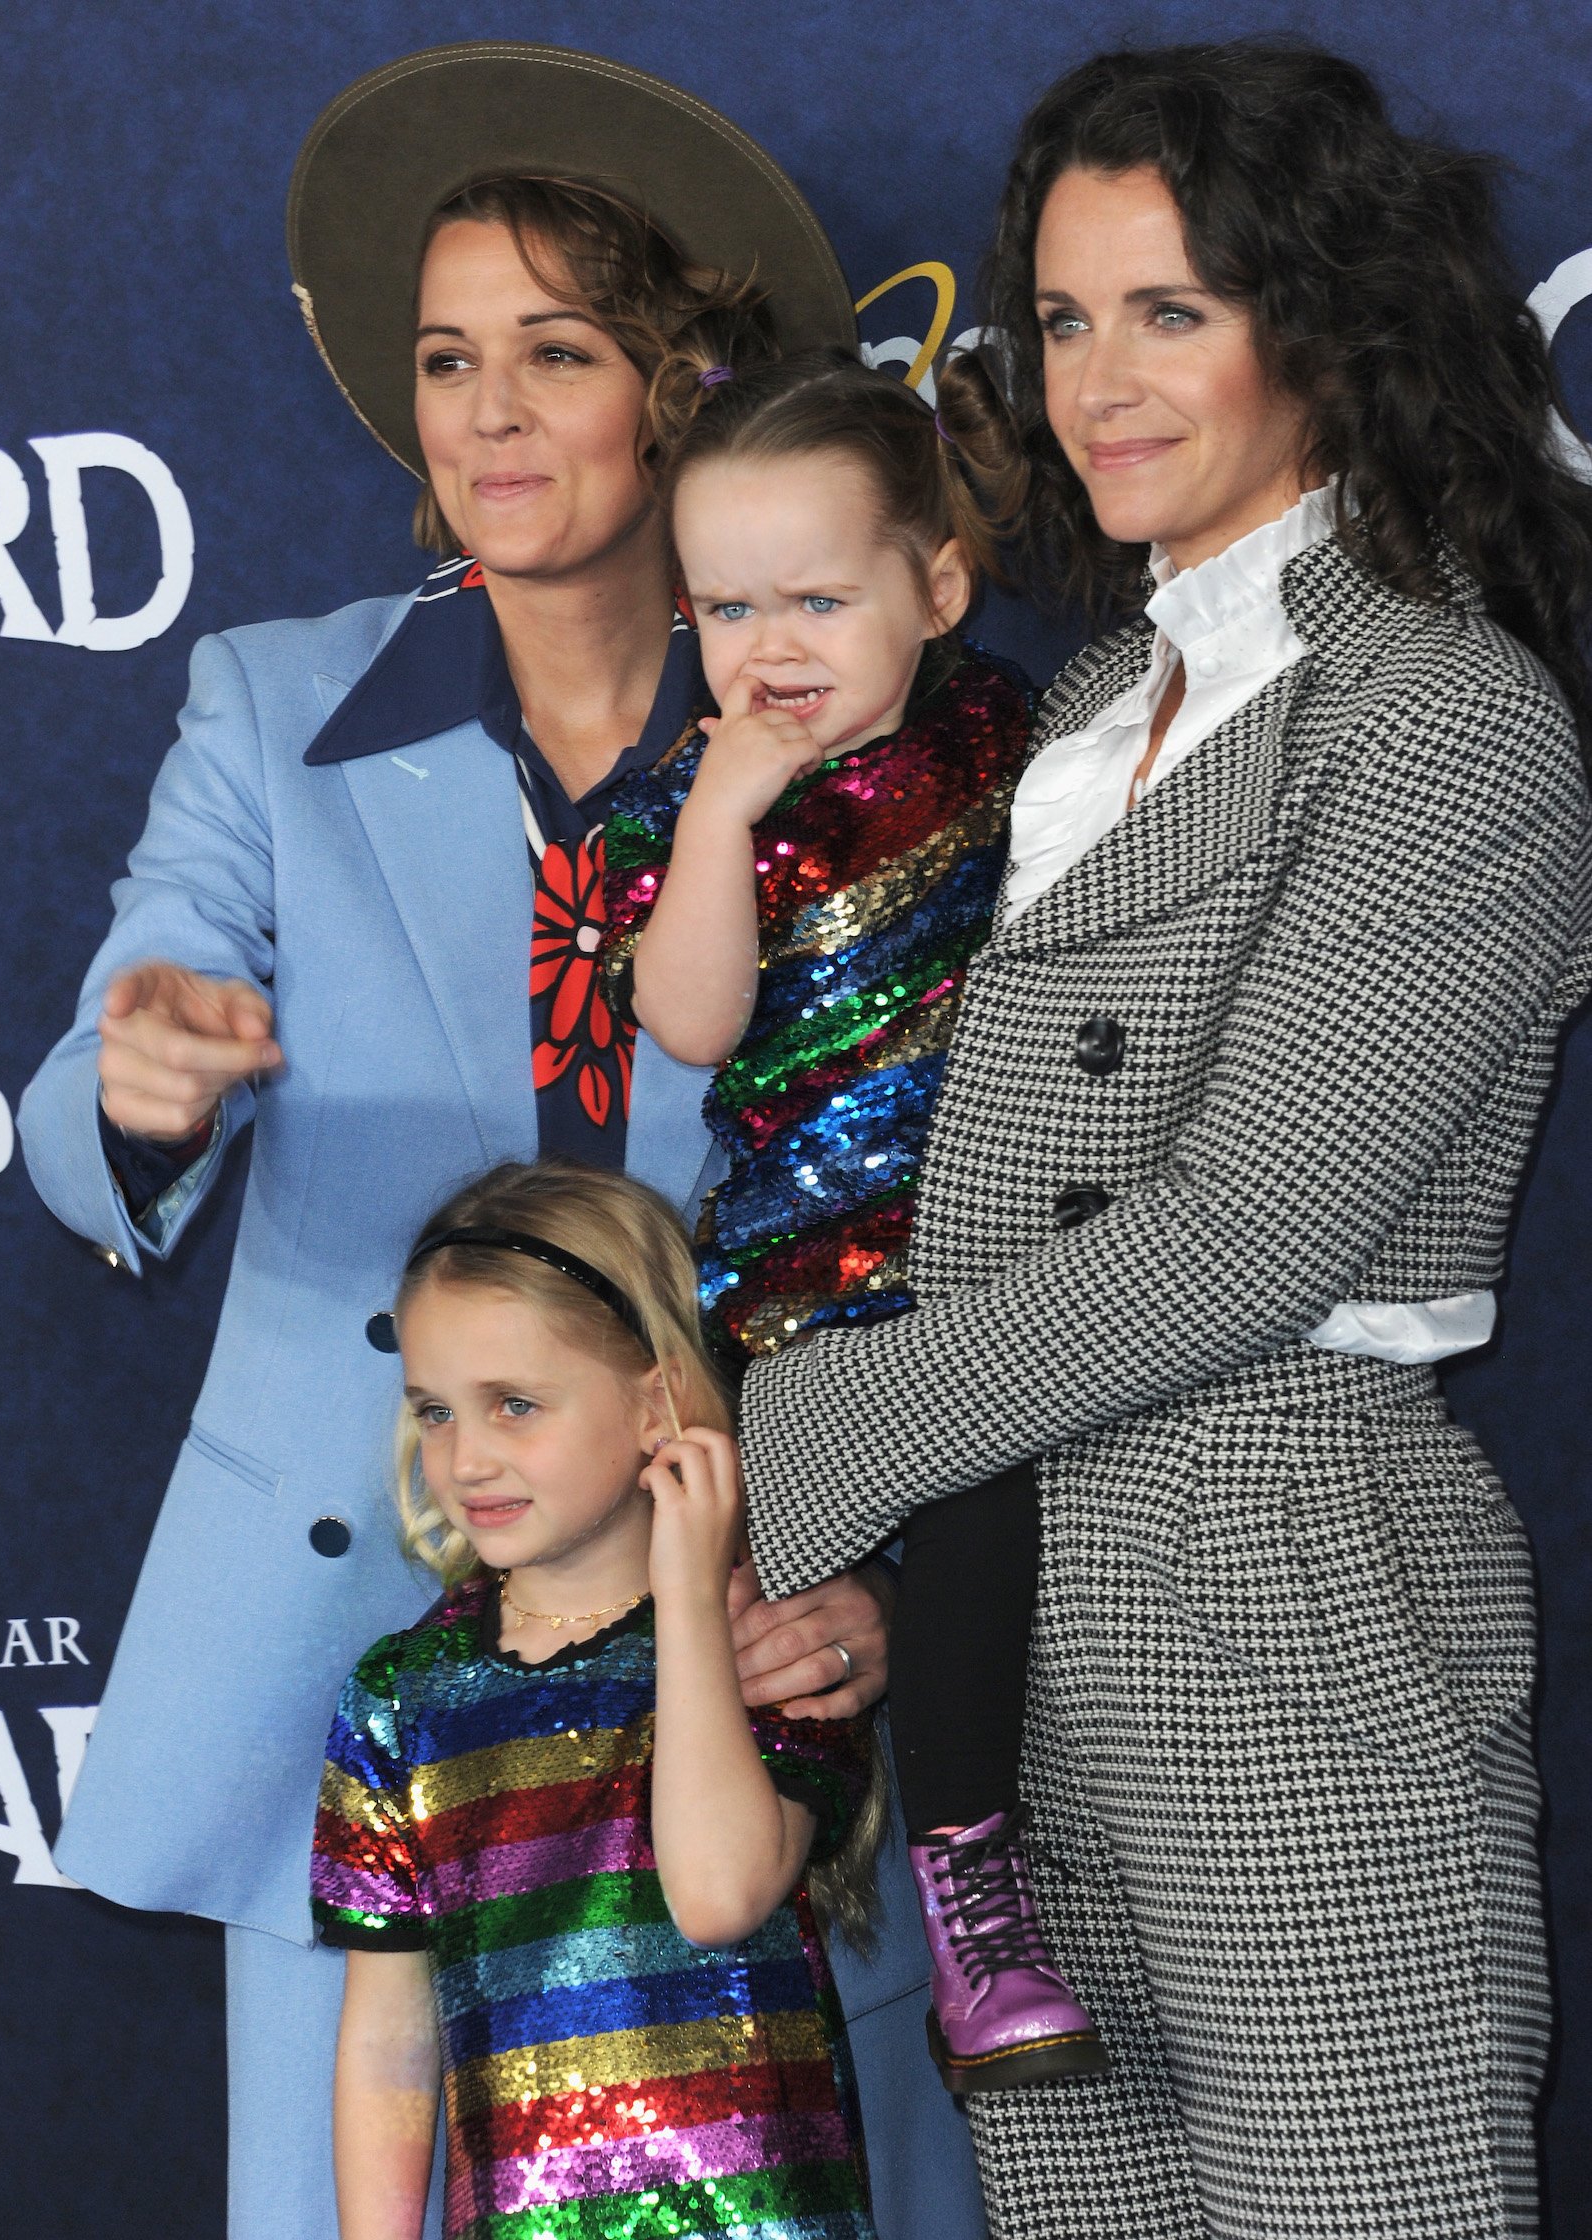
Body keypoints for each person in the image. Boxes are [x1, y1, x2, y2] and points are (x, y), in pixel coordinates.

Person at [15, 46, 985, 2240]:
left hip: (739, 1643)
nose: (485, 412)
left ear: (684, 381)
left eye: (555, 351)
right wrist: (136, 1078)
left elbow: (951, 1216)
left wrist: (870, 1571)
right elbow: (99, 1103)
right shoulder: (273, 702)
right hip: (356, 1679)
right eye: (449, 358)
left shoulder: (864, 741)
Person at [731, 41, 1592, 2240]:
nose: (1098, 382)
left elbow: (1247, 1229)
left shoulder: (1447, 716)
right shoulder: (1091, 709)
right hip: (1017, 1610)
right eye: (1065, 317)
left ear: (1318, 327)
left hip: (1278, 1576)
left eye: (1171, 313)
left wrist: (814, 1437)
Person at [601, 343, 1107, 2093]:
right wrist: (727, 819)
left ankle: (973, 1892)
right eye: (727, 608)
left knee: (977, 1542)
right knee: (772, 1654)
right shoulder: (704, 801)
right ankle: (712, 2033)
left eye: (820, 596)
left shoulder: (1019, 739)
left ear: (940, 587)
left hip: (999, 1266)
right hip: (809, 1296)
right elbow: (688, 1024)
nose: (774, 649)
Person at [313, 1160, 877, 2240]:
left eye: (514, 1404)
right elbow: (388, 2042)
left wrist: (689, 1601)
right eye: (434, 1409)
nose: (465, 1457)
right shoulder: (399, 1699)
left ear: (657, 1399)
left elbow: (717, 1892)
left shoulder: (776, 1643)